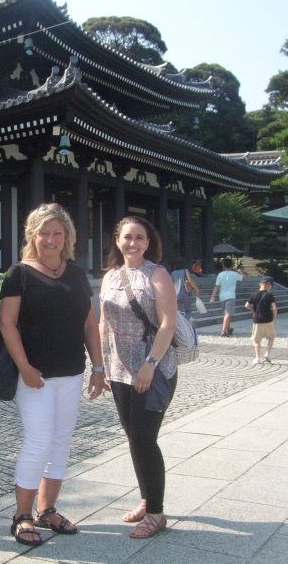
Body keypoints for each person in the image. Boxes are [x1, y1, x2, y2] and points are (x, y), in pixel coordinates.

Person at [0, 204, 104, 546]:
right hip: (36, 375)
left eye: (58, 233)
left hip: (72, 371)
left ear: (68, 237)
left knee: (60, 442)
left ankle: (48, 509)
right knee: (38, 441)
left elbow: (89, 323)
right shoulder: (20, 273)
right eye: (44, 232)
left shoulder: (75, 274)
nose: (51, 239)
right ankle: (22, 515)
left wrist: (98, 367)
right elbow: (7, 323)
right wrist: (25, 367)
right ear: (33, 235)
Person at [99, 216, 178, 539]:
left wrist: (150, 363)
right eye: (127, 237)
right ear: (117, 239)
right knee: (134, 437)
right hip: (118, 370)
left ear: (148, 242)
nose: (133, 243)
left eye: (140, 238)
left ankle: (157, 513)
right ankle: (147, 499)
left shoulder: (157, 274)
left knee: (145, 438)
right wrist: (101, 366)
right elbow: (103, 324)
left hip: (152, 369)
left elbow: (167, 323)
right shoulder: (110, 277)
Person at [245, 276, 278, 364]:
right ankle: (267, 354)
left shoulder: (253, 294)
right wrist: (274, 317)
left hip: (257, 320)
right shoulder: (269, 295)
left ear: (260, 284)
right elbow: (274, 308)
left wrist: (254, 310)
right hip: (268, 319)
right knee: (271, 337)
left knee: (256, 340)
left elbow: (246, 305)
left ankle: (257, 358)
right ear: (269, 285)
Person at [209, 257, 243, 337]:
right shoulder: (235, 274)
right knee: (228, 313)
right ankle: (224, 331)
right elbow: (241, 278)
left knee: (226, 313)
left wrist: (213, 296)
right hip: (231, 296)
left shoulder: (220, 275)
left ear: (223, 266)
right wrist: (240, 271)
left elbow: (216, 286)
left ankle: (228, 328)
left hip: (222, 296)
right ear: (231, 265)